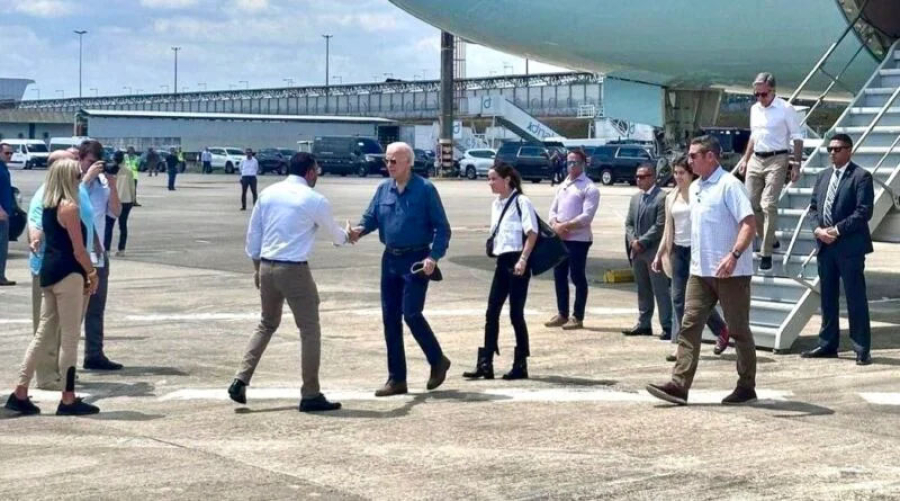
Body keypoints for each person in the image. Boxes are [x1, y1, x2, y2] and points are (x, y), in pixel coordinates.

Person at [228, 153, 344, 412]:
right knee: (310, 330)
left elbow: (253, 235)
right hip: (294, 270)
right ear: (310, 172)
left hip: (267, 266)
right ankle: (310, 393)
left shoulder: (269, 194)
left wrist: (257, 269)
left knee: (266, 324)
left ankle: (240, 379)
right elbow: (337, 237)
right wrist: (350, 234)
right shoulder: (314, 200)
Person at [647, 135, 758, 406]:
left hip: (731, 273)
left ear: (711, 157)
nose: (690, 159)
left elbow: (749, 224)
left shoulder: (729, 186)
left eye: (695, 155)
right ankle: (679, 385)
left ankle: (746, 386)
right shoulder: (695, 188)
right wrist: (666, 252)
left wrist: (733, 255)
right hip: (700, 272)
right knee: (689, 326)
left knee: (738, 330)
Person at [349, 142, 452, 397]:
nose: (389, 165)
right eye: (387, 161)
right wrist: (358, 232)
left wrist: (433, 257)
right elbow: (370, 218)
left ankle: (437, 360)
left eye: (394, 161)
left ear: (409, 162)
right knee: (390, 318)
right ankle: (397, 379)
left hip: (417, 260)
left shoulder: (425, 190)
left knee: (412, 313)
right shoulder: (383, 189)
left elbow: (442, 228)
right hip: (390, 260)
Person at [4, 159, 100, 416]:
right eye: (77, 175)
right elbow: (79, 250)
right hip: (69, 274)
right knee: (69, 337)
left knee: (43, 333)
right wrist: (92, 273)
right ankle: (68, 398)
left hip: (49, 271)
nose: (80, 178)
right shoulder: (69, 207)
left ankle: (20, 391)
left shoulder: (48, 206)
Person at [801, 133, 875, 365]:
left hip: (849, 247)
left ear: (848, 150)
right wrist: (818, 230)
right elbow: (813, 208)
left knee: (855, 298)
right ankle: (828, 344)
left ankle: (861, 348)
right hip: (825, 246)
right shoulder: (823, 176)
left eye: (837, 149)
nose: (832, 153)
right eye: (830, 149)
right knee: (828, 298)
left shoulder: (861, 177)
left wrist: (836, 230)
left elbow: (863, 212)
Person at [27, 149, 96, 390]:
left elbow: (89, 221)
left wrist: (97, 246)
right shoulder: (46, 196)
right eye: (73, 161)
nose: (78, 166)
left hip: (74, 267)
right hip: (59, 268)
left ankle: (60, 374)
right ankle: (48, 377)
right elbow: (35, 224)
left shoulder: (78, 191)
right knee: (54, 331)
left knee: (63, 327)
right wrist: (35, 239)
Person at [463, 163, 539, 380]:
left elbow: (532, 233)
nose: (490, 182)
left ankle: (521, 363)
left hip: (518, 260)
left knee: (516, 314)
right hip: (502, 261)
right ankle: (486, 363)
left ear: (507, 180)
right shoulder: (496, 204)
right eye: (489, 178)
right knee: (491, 311)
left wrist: (523, 259)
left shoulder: (522, 202)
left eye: (493, 178)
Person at [652, 155, 730, 362]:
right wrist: (659, 254)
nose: (678, 177)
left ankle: (721, 329)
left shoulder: (699, 192)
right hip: (677, 250)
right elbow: (669, 229)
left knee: (698, 299)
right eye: (675, 173)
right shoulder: (671, 197)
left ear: (691, 173)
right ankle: (682, 345)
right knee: (678, 298)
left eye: (682, 173)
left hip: (698, 249)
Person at [735, 72, 803, 271]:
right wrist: (745, 160)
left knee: (768, 204)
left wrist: (796, 164)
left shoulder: (785, 109)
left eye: (763, 95)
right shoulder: (755, 109)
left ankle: (766, 253)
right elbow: (754, 136)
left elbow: (797, 137)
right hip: (756, 158)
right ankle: (769, 238)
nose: (760, 99)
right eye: (757, 95)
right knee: (751, 203)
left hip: (778, 158)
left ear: (773, 91)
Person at [79, 140, 124, 371]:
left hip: (98, 253)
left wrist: (113, 185)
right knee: (72, 309)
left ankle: (94, 354)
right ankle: (61, 358)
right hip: (76, 252)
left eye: (97, 163)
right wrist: (86, 179)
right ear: (81, 160)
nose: (93, 167)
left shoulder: (104, 184)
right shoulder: (74, 180)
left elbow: (115, 212)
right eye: (89, 162)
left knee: (96, 307)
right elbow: (72, 203)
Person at [545, 149, 600, 330]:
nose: (571, 165)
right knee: (559, 275)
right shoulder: (563, 185)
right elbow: (553, 210)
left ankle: (578, 316)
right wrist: (554, 224)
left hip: (579, 239)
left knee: (577, 276)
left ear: (583, 164)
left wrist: (565, 226)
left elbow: (586, 216)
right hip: (560, 237)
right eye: (569, 162)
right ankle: (562, 313)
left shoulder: (589, 187)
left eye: (575, 162)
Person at [622, 163, 672, 339]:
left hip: (653, 252)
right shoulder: (635, 198)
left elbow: (660, 226)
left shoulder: (662, 197)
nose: (638, 180)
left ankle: (667, 325)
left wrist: (642, 242)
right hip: (637, 252)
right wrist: (633, 241)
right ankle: (644, 323)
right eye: (637, 176)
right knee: (643, 289)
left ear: (652, 177)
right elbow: (628, 223)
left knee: (661, 290)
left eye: (642, 176)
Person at [104, 151, 136, 256]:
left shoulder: (110, 170)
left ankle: (107, 249)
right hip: (126, 200)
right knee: (123, 225)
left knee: (109, 225)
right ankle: (121, 249)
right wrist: (133, 199)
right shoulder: (129, 171)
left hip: (113, 199)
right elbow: (132, 187)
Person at [0, 142, 15, 286]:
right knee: (1, 246)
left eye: (11, 153)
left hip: (6, 212)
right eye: (7, 153)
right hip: (1, 214)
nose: (10, 156)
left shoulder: (4, 168)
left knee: (3, 246)